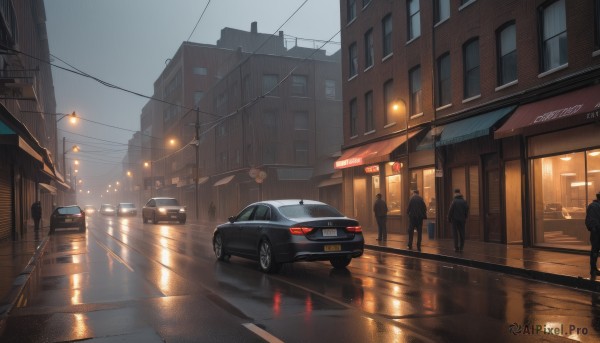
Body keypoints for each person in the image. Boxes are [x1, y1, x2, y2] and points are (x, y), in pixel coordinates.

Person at [586, 191, 600, 278]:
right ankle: (593, 269)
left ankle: (593, 269)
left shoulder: (592, 206)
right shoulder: (594, 206)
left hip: (595, 232)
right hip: (597, 232)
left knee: (595, 251)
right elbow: (591, 220)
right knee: (595, 251)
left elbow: (589, 221)